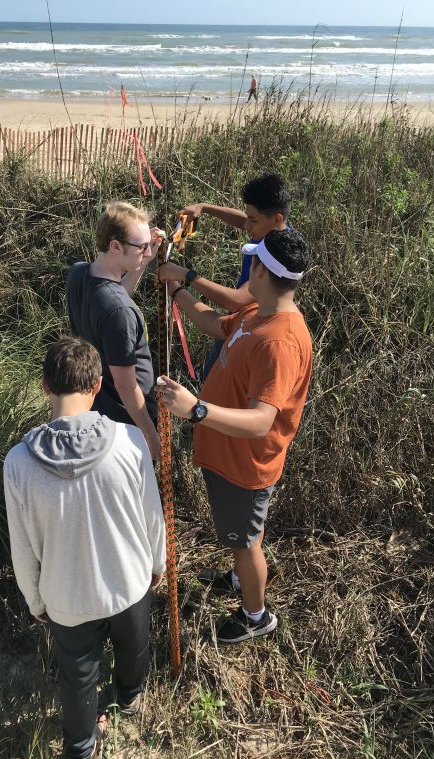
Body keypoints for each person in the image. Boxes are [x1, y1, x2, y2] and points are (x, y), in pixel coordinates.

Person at [4, 337, 166, 759]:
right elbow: (153, 514)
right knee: (134, 650)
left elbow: (22, 545)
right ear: (97, 385)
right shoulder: (131, 442)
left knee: (77, 676)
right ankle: (128, 698)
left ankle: (79, 752)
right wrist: (157, 563)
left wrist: (35, 599)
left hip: (65, 598)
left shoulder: (18, 463)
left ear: (44, 387)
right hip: (130, 582)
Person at [157, 230, 312, 644]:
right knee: (246, 536)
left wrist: (196, 410)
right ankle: (239, 578)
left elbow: (262, 421)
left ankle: (256, 615)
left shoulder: (280, 341)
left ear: (261, 271)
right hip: (228, 454)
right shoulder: (258, 312)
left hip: (246, 465)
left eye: (252, 264)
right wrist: (176, 291)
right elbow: (213, 323)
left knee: (246, 543)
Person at [159, 174, 291, 375]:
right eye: (248, 218)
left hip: (246, 333)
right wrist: (204, 207)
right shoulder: (273, 233)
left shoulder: (275, 256)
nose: (247, 226)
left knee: (215, 378)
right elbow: (243, 220)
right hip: (237, 325)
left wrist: (185, 275)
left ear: (277, 219)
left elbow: (236, 301)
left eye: (253, 221)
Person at [66, 202, 164, 460]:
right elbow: (126, 386)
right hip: (127, 423)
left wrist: (144, 261)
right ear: (115, 246)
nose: (146, 250)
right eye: (141, 246)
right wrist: (152, 440)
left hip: (98, 411)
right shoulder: (118, 312)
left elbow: (115, 295)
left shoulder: (78, 274)